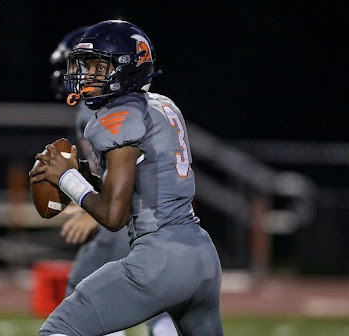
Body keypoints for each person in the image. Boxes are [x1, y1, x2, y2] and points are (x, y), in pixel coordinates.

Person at [30, 20, 224, 335]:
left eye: (98, 67)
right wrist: (84, 174)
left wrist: (67, 179)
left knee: (58, 329)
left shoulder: (115, 118)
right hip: (202, 256)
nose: (87, 77)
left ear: (126, 69)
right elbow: (138, 180)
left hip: (159, 259)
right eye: (86, 66)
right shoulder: (164, 106)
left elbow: (113, 215)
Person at [49, 27, 179, 336]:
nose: (83, 76)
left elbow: (121, 184)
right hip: (171, 223)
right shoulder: (156, 105)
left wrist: (88, 205)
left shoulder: (104, 113)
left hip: (134, 219)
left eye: (91, 67)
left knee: (82, 293)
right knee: (156, 304)